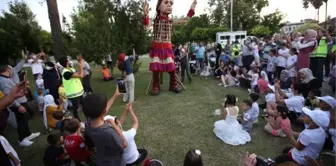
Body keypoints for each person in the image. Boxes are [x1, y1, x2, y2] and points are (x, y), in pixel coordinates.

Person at [82, 87, 128, 166]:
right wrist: (115, 126)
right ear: (104, 111)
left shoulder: (88, 123)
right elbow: (124, 144)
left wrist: (115, 96)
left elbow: (100, 111)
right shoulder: (108, 132)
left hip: (101, 159)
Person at [0, 65, 40, 147]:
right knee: (21, 120)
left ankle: (28, 134)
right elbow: (8, 95)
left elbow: (13, 88)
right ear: (8, 69)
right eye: (12, 69)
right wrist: (18, 106)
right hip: (16, 104)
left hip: (19, 102)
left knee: (25, 118)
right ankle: (22, 140)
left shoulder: (6, 79)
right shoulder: (3, 80)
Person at [58, 57, 85, 121]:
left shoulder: (71, 69)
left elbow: (79, 73)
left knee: (84, 105)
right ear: (67, 62)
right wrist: (81, 66)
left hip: (79, 92)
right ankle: (78, 122)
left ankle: (88, 117)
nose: (70, 61)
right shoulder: (66, 73)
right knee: (75, 109)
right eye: (68, 60)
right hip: (73, 94)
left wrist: (81, 67)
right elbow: (81, 75)